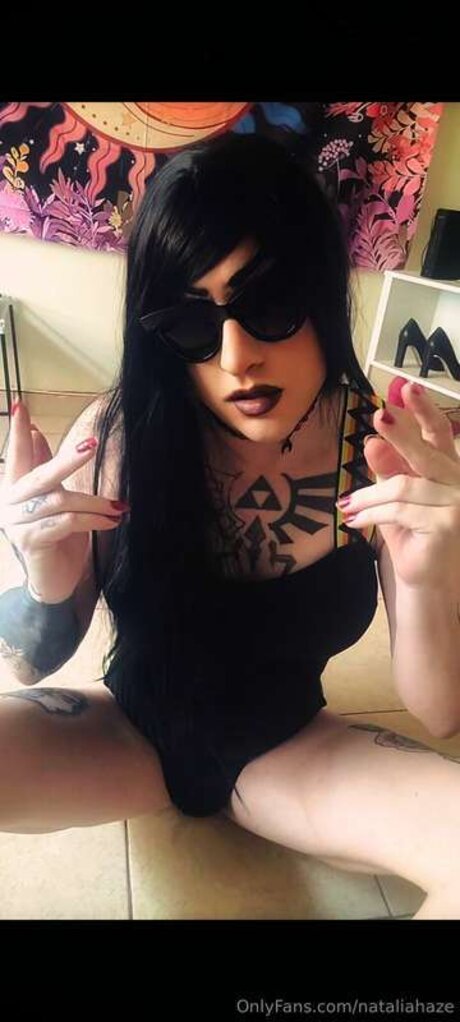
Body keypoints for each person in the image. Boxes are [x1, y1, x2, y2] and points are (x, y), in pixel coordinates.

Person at [1, 132, 460, 920]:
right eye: (189, 323)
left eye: (269, 304)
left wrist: (430, 579)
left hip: (291, 753)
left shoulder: (381, 450)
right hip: (121, 736)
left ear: (321, 293)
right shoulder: (120, 437)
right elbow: (29, 663)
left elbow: (441, 711)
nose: (236, 356)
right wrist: (44, 582)